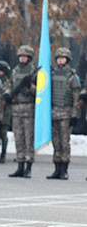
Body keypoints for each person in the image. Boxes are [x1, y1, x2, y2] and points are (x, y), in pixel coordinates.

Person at [47, 47, 81, 180]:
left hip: (66, 114)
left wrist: (75, 115)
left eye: (63, 58)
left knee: (64, 143)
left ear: (67, 60)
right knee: (56, 142)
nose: (60, 60)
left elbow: (76, 98)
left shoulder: (73, 77)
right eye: (59, 58)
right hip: (54, 113)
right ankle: (56, 168)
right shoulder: (52, 75)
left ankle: (64, 169)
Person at [6, 45, 37, 178]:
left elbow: (41, 91)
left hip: (29, 108)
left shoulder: (35, 72)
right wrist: (7, 94)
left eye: (24, 56)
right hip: (16, 108)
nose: (22, 58)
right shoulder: (15, 71)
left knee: (28, 139)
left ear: (29, 58)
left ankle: (28, 167)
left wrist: (30, 88)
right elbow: (11, 85)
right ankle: (20, 165)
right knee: (18, 138)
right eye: (20, 56)